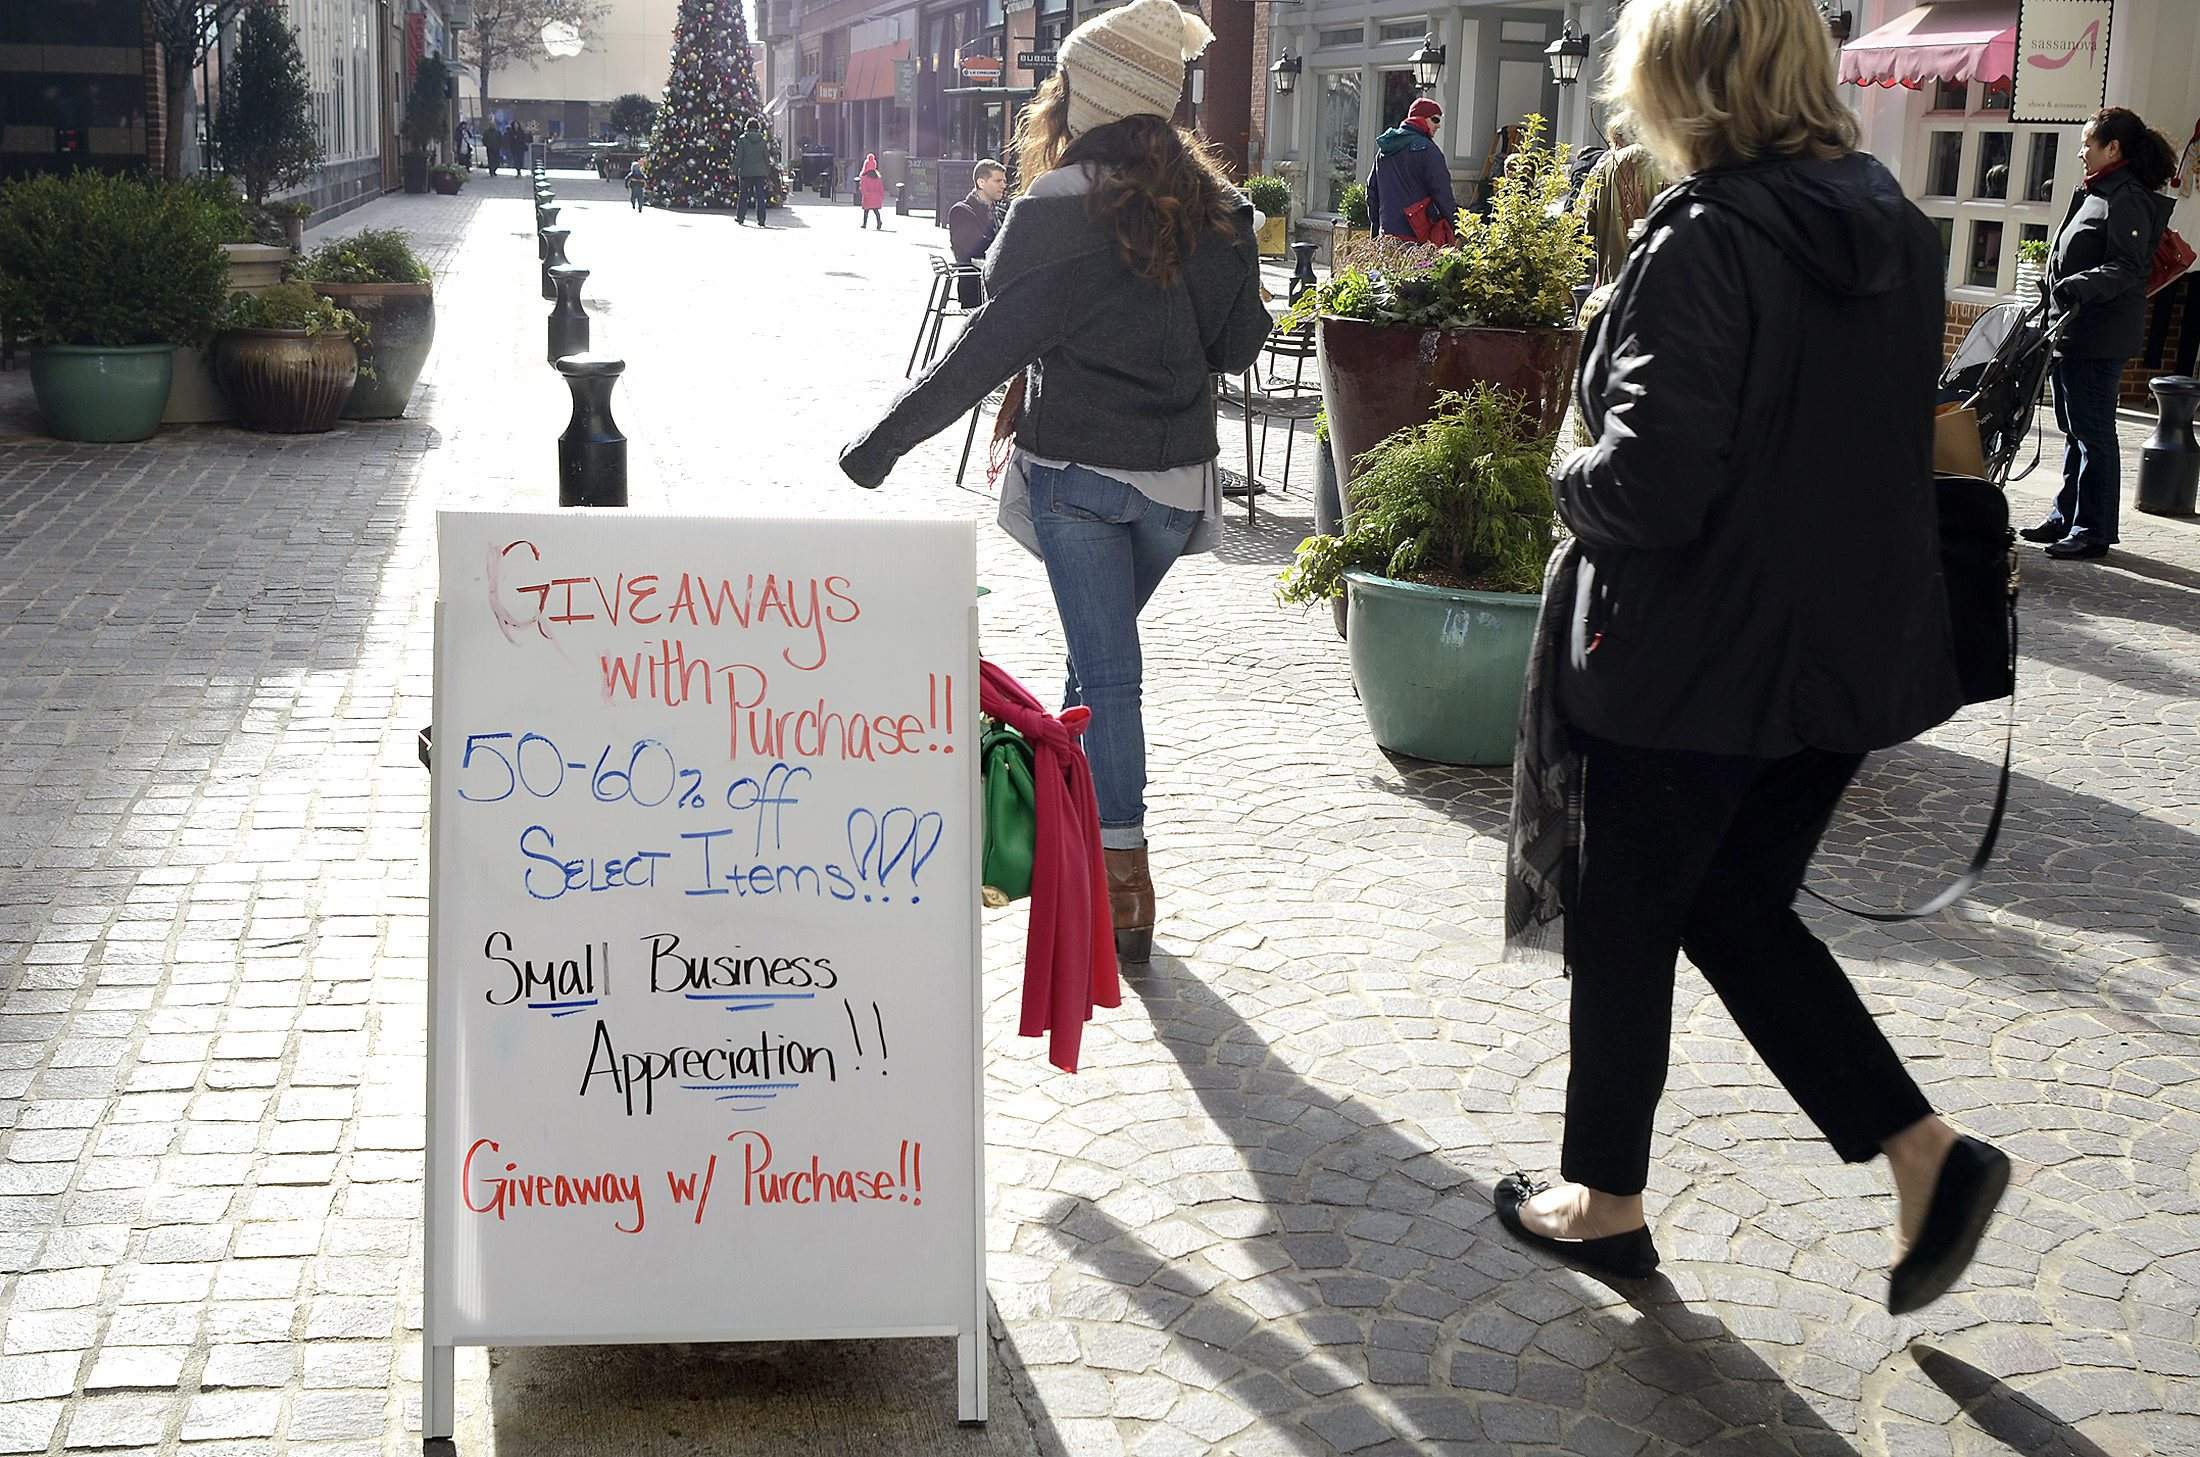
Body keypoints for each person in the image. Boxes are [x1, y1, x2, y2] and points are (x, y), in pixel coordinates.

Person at [1497, 0, 2010, 1320]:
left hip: (1693, 661)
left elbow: (1654, 487)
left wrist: (1564, 470)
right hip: (1842, 658)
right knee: (1724, 907)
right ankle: (1923, 1152)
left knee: (1631, 918)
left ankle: (1605, 1201)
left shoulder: (1708, 237)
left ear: (1679, 79)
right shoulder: (1889, 219)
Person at [839, 0, 1271, 964]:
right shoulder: (1215, 211)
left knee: (1108, 675)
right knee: (1096, 664)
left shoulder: (1052, 211)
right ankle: (1075, 847)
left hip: (1078, 477)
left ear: (1086, 99)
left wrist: (879, 443)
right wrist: (1231, 253)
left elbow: (983, 352)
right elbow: (1237, 347)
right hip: (1172, 491)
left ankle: (1123, 880)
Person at [2019, 107, 2178, 561]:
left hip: (2098, 335)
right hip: (2071, 330)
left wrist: (2076, 285)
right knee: (2074, 431)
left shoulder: (2127, 197)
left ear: (2114, 149)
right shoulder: (2097, 192)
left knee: (2094, 433)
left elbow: (2128, 266)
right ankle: (2064, 515)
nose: (2081, 151)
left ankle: (2093, 530)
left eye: (2089, 144)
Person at [1365, 97, 1456, 243]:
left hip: (1387, 235)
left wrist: (1376, 231)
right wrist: (1458, 227)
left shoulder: (1384, 151)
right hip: (1419, 236)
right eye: (1435, 120)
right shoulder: (1429, 150)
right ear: (1420, 119)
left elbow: (1372, 193)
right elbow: (1443, 194)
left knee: (1388, 266)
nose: (1438, 126)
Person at [949, 159, 1010, 307]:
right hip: (976, 285)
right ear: (981, 183)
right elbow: (977, 248)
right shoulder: (961, 211)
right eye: (997, 181)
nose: (1003, 185)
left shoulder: (1003, 211)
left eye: (1004, 181)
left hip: (1001, 284)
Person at [735, 119, 774, 226]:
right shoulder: (762, 140)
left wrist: (733, 170)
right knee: (760, 196)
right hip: (760, 172)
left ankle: (740, 217)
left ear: (747, 127)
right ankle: (761, 219)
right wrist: (768, 170)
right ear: (758, 127)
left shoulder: (742, 139)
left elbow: (739, 157)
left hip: (745, 172)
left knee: (743, 195)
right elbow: (766, 156)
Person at [858, 153, 886, 229]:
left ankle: (864, 224)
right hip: (876, 197)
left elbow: (863, 188)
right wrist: (881, 196)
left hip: (868, 196)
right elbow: (881, 188)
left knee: (866, 211)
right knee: (876, 211)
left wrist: (865, 195)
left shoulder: (864, 178)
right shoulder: (878, 178)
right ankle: (879, 222)